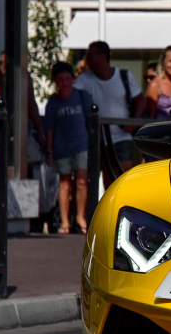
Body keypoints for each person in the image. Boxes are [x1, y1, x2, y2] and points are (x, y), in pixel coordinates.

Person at [42, 61, 93, 235]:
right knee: (64, 183)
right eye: (60, 79)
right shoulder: (53, 103)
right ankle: (65, 221)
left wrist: (94, 145)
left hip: (81, 144)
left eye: (67, 78)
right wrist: (48, 150)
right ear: (55, 81)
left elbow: (91, 122)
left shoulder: (82, 97)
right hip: (61, 147)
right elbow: (49, 128)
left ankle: (80, 217)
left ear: (72, 78)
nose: (64, 82)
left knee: (81, 181)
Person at [74, 41, 137, 172]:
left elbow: (141, 99)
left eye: (90, 56)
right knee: (107, 178)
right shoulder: (84, 79)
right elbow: (71, 96)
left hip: (122, 137)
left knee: (122, 174)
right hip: (97, 139)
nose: (87, 60)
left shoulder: (124, 76)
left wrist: (133, 121)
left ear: (102, 57)